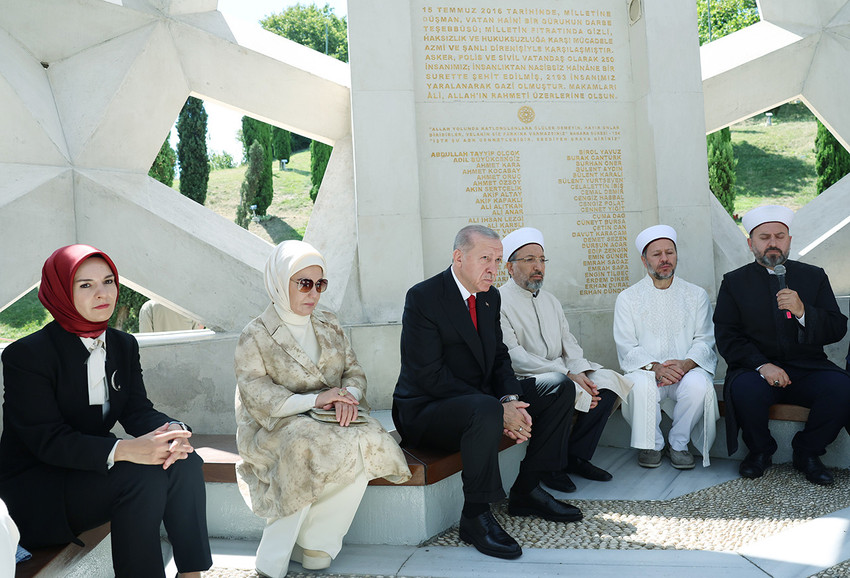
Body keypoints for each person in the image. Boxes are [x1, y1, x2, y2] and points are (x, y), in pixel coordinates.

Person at [0, 245, 211, 578]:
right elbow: (48, 441)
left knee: (185, 461)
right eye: (85, 285)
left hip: (93, 473)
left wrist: (173, 432)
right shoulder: (26, 356)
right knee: (140, 476)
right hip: (40, 489)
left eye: (108, 281)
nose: (103, 293)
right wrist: (126, 450)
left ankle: (192, 574)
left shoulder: (122, 344)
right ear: (60, 292)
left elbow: (137, 410)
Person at [393, 225, 581, 561]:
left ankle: (527, 489)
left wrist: (509, 399)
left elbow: (498, 358)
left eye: (496, 260)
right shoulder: (423, 298)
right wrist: (499, 406)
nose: (492, 268)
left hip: (480, 403)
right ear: (458, 258)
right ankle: (475, 516)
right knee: (485, 409)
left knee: (558, 386)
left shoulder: (490, 297)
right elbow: (429, 375)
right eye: (485, 259)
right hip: (426, 410)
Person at [234, 240, 410, 578]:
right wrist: (315, 400)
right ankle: (273, 555)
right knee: (305, 445)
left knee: (369, 438)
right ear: (279, 282)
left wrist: (347, 396)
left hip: (329, 414)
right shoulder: (254, 334)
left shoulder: (329, 322)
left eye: (320, 283)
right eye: (304, 283)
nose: (313, 293)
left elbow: (354, 371)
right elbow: (258, 394)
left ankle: (317, 543)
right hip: (273, 422)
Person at [714, 205, 850, 485]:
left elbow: (837, 327)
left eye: (780, 235)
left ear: (789, 240)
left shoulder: (814, 276)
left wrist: (803, 312)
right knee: (744, 390)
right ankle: (760, 452)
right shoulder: (734, 282)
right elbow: (727, 335)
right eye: (764, 237)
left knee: (841, 387)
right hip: (756, 369)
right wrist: (763, 365)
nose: (773, 243)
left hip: (808, 366)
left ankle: (808, 452)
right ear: (751, 243)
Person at [499, 227, 632, 487]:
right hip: (527, 378)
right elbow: (514, 357)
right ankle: (552, 468)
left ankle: (577, 457)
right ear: (509, 267)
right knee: (568, 387)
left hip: (561, 371)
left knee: (606, 382)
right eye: (529, 260)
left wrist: (580, 372)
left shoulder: (550, 300)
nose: (538, 266)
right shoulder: (499, 301)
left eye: (541, 259)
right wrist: (567, 375)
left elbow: (568, 343)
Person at [613, 225, 718, 469]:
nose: (664, 260)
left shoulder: (696, 294)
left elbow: (704, 339)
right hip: (647, 371)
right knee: (638, 385)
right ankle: (653, 445)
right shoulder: (628, 298)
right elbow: (626, 346)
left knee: (700, 385)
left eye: (669, 253)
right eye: (656, 254)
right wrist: (656, 367)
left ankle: (679, 444)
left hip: (685, 371)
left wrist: (686, 364)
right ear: (644, 259)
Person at [138, 300, 202, 332]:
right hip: (187, 356)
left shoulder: (147, 307)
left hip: (158, 356)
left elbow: (145, 339)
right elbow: (197, 339)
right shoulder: (192, 308)